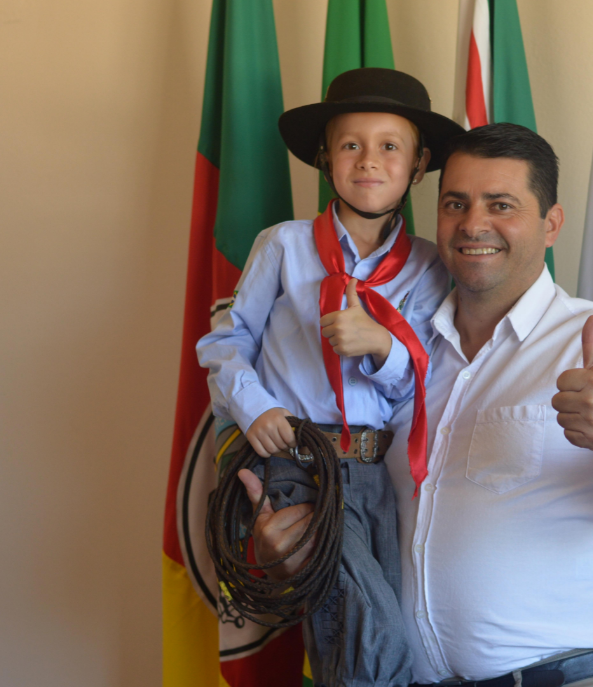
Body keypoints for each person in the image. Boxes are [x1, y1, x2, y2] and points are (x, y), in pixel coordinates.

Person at [245, 122, 593, 687]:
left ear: (551, 224)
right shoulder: (398, 356)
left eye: (501, 205)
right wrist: (300, 557)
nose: (473, 224)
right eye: (455, 204)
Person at [196, 68, 463, 687]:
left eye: (390, 146)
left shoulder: (428, 265)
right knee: (374, 638)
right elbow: (225, 342)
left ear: (419, 164)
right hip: (295, 459)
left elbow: (421, 385)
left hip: (372, 472)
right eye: (350, 145)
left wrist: (383, 347)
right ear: (325, 158)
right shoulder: (283, 246)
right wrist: (256, 408)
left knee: (353, 630)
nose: (368, 160)